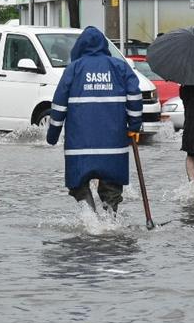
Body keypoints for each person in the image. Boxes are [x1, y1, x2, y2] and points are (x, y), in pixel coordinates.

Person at [45, 26, 142, 214]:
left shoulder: (73, 69)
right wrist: (134, 126)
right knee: (112, 189)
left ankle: (91, 221)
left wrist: (52, 135)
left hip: (80, 146)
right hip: (113, 145)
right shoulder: (120, 67)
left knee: (78, 185)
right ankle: (110, 223)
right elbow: (135, 97)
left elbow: (58, 105)